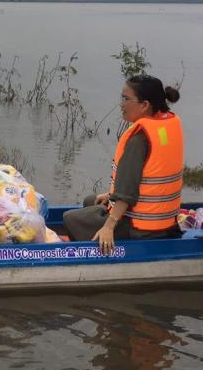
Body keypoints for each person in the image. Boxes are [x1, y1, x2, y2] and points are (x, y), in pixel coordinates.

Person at [63, 75, 183, 253]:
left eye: (126, 99)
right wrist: (110, 194)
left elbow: (126, 193)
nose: (121, 104)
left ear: (144, 105)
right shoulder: (166, 124)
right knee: (91, 201)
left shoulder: (139, 139)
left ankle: (91, 255)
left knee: (70, 218)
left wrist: (109, 227)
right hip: (164, 223)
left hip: (140, 229)